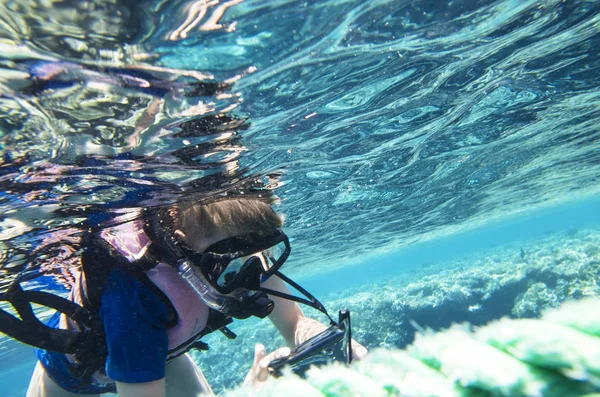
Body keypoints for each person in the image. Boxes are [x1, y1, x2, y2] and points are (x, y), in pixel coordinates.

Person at [25, 196, 368, 396]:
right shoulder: (137, 299)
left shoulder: (240, 253)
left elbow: (296, 324)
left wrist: (324, 342)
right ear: (184, 252)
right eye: (232, 269)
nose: (250, 280)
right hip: (68, 379)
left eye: (254, 259)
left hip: (166, 356)